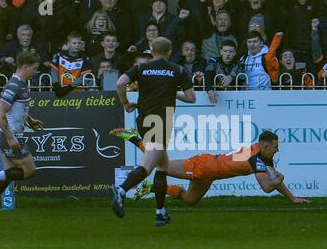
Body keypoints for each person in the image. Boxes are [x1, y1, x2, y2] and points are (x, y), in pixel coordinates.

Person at [110, 37, 196, 226]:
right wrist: (174, 91)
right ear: (170, 50)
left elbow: (119, 83)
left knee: (162, 166)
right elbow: (191, 98)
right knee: (148, 165)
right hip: (161, 121)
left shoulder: (141, 68)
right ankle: (121, 190)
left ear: (152, 51)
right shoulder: (178, 70)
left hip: (144, 120)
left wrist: (124, 103)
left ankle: (160, 212)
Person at [110, 128, 311, 206]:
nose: (278, 150)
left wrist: (292, 198)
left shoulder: (261, 154)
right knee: (160, 164)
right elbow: (268, 187)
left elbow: (272, 179)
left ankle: (151, 188)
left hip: (209, 173)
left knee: (190, 200)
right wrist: (280, 178)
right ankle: (135, 138)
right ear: (266, 145)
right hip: (203, 166)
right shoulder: (256, 158)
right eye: (275, 147)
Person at [0, 52, 44, 213]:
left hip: (9, 134)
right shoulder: (14, 85)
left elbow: (15, 108)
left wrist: (30, 120)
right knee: (29, 171)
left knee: (8, 175)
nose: (36, 72)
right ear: (25, 67)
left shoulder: (20, 84)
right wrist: (10, 137)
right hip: (10, 135)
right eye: (35, 69)